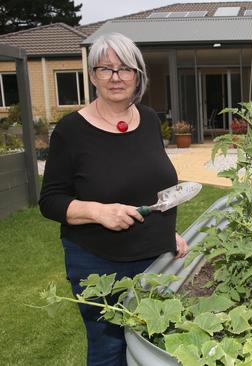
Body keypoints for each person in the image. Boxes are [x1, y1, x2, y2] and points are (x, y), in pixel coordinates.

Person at [39, 32, 188, 366]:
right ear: (92, 76)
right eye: (105, 69)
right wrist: (98, 212)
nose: (116, 77)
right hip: (98, 262)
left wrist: (166, 231)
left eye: (125, 69)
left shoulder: (149, 120)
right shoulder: (70, 131)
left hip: (153, 259)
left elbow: (150, 184)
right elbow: (50, 201)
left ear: (138, 75)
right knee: (110, 349)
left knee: (155, 341)